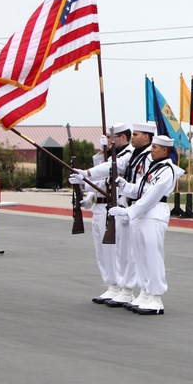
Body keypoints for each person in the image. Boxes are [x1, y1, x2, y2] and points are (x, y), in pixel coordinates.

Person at [107, 134, 184, 315]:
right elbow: (140, 190)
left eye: (155, 147)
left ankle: (156, 298)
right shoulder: (153, 168)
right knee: (141, 256)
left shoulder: (167, 170)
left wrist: (128, 211)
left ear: (164, 150)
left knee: (152, 256)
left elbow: (152, 196)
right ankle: (145, 292)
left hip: (154, 214)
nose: (151, 150)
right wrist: (123, 185)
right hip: (142, 215)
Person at [70, 122, 131, 304]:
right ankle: (111, 286)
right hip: (99, 207)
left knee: (115, 250)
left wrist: (88, 173)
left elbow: (109, 173)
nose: (110, 141)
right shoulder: (109, 156)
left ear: (123, 138)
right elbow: (100, 182)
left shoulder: (127, 155)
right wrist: (88, 196)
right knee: (102, 250)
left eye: (113, 138)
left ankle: (121, 287)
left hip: (113, 207)